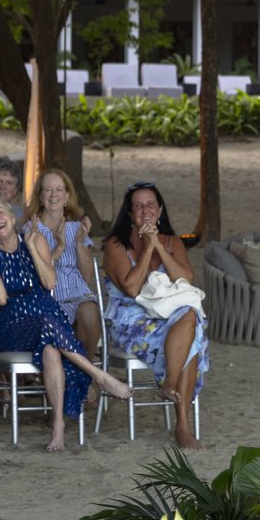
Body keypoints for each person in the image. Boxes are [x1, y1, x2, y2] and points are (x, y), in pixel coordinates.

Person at [0, 196, 130, 453]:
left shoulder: (35, 240)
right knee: (47, 323)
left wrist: (33, 249)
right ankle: (98, 375)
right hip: (11, 326)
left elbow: (49, 283)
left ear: (13, 218)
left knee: (51, 350)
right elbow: (0, 299)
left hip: (45, 319)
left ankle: (58, 427)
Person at [102, 181, 209, 448]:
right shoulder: (116, 245)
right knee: (191, 339)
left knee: (190, 319)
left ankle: (171, 385)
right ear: (129, 213)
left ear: (160, 210)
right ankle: (182, 426)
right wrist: (148, 247)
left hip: (169, 314)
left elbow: (186, 278)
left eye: (150, 204)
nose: (145, 210)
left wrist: (159, 246)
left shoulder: (172, 242)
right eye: (138, 205)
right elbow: (131, 287)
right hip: (130, 319)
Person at [23, 168, 102, 368]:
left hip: (77, 294)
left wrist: (78, 242)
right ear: (40, 196)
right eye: (48, 190)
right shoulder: (30, 229)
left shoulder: (77, 228)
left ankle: (86, 373)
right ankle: (73, 375)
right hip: (48, 298)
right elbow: (37, 273)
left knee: (90, 313)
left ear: (67, 196)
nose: (54, 195)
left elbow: (85, 276)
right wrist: (58, 248)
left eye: (59, 190)